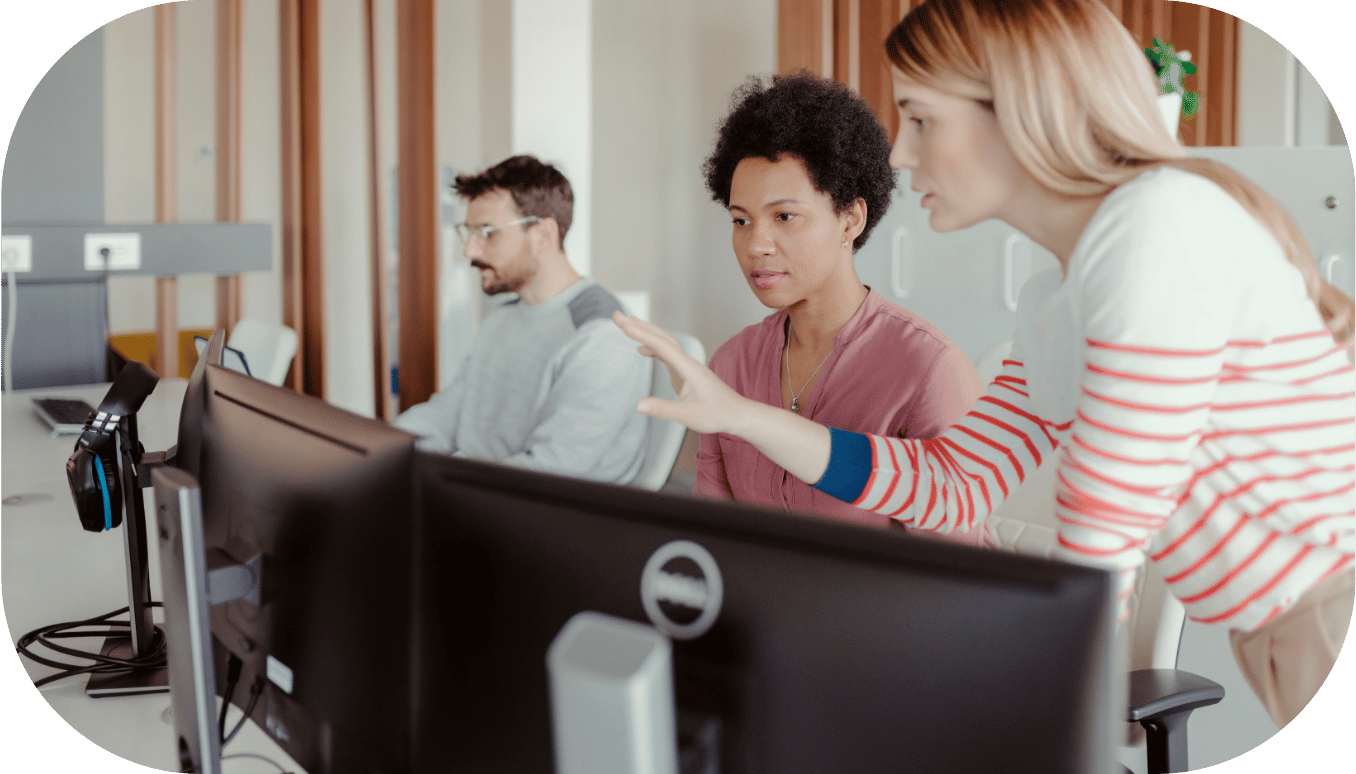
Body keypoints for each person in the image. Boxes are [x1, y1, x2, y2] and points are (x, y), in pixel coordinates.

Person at [615, 0, 1355, 728]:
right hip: (1274, 624)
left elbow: (1103, 538)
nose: (901, 154)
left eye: (922, 118)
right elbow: (953, 484)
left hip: (1327, 604)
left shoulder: (1153, 230)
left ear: (1017, 111)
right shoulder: (1055, 299)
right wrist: (741, 416)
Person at [696, 72, 987, 545]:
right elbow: (712, 539)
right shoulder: (731, 364)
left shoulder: (928, 369)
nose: (756, 245)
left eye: (784, 217)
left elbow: (961, 578)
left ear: (850, 218)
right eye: (740, 221)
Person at [395, 155, 651, 485]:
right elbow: (448, 414)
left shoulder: (603, 336)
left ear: (543, 235)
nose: (470, 251)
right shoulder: (501, 320)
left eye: (487, 232)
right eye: (469, 232)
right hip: (478, 496)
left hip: (545, 517)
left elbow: (547, 473)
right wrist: (377, 450)